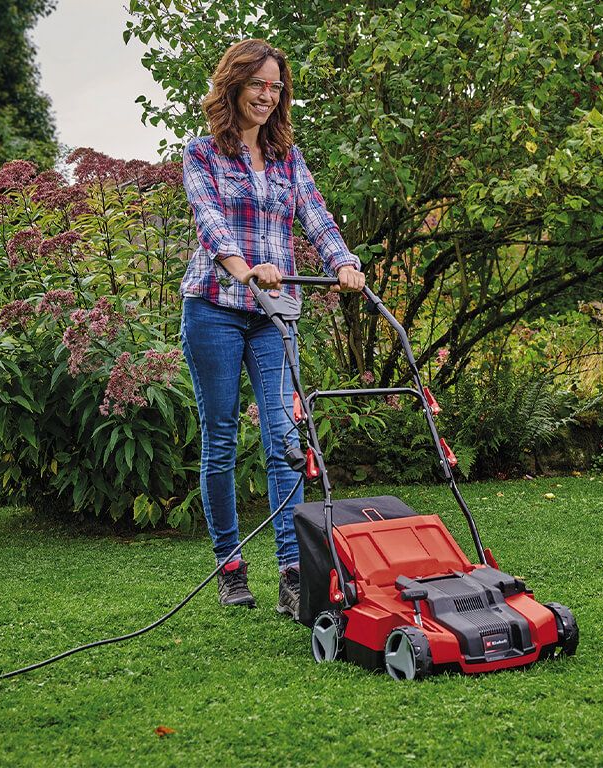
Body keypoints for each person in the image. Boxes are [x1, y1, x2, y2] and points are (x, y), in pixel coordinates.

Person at [179, 39, 365, 615]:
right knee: (220, 440)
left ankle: (292, 570)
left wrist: (343, 262)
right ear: (232, 86)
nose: (268, 95)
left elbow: (315, 213)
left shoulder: (288, 155)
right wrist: (244, 269)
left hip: (273, 317)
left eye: (276, 86)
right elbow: (211, 222)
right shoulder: (203, 152)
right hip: (213, 306)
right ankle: (231, 565)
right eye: (258, 84)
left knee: (285, 439)